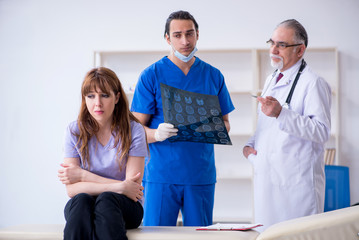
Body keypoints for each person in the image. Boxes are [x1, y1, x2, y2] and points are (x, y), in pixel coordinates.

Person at [130, 10, 234, 226]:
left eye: (190, 34)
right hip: (161, 175)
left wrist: (206, 127)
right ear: (167, 38)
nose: (185, 41)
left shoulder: (213, 75)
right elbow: (133, 130)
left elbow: (226, 124)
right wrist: (157, 134)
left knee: (200, 235)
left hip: (200, 175)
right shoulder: (151, 75)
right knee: (155, 237)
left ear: (197, 34)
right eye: (177, 35)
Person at [243, 19, 332, 231]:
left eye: (281, 45)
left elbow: (321, 131)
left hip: (296, 189)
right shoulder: (271, 79)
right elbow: (266, 124)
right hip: (267, 183)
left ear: (300, 50)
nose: (273, 49)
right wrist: (250, 146)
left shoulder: (313, 83)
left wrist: (282, 113)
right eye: (271, 42)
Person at [58, 67, 148, 240]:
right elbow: (72, 190)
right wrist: (119, 186)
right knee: (81, 201)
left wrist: (82, 175)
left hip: (126, 207)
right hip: (86, 203)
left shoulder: (134, 130)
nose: (97, 103)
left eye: (104, 95)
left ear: (117, 98)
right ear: (85, 99)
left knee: (106, 200)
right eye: (90, 96)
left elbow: (132, 189)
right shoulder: (73, 131)